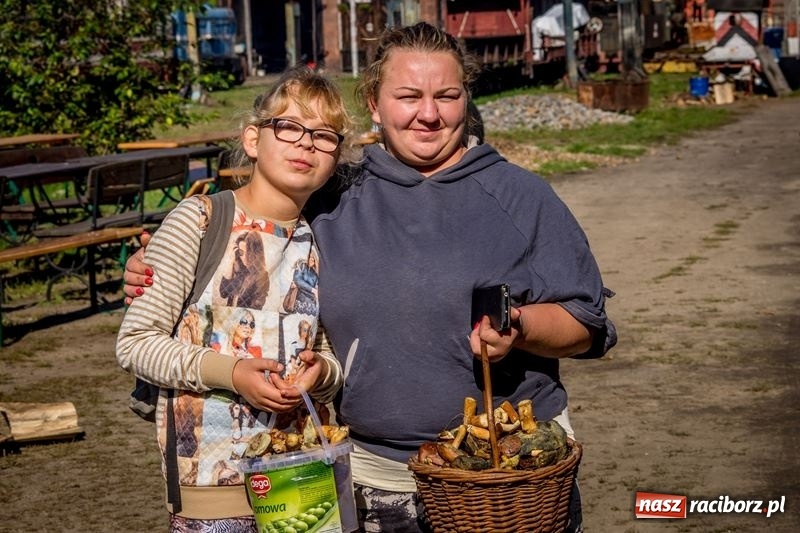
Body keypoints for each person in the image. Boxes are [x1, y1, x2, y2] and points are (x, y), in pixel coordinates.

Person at [124, 22, 616, 533]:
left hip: (500, 481)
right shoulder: (332, 197)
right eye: (408, 96)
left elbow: (588, 325)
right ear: (375, 105)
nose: (429, 113)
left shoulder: (521, 197)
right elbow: (253, 237)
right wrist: (157, 265)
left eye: (447, 95)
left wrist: (523, 327)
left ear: (466, 101)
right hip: (371, 481)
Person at [115, 65, 355, 532]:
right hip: (210, 487)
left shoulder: (320, 239)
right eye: (289, 127)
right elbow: (135, 343)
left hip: (301, 480)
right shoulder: (200, 220)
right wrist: (232, 373)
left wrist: (322, 373)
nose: (306, 143)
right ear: (252, 139)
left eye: (324, 136)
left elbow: (326, 353)